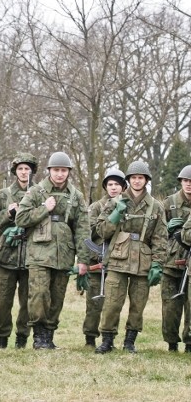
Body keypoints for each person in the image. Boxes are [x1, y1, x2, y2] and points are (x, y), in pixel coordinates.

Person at [15, 151, 89, 350]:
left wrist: (83, 260)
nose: (59, 174)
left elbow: (82, 229)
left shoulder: (76, 196)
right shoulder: (36, 192)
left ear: (68, 172)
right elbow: (20, 218)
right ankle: (39, 336)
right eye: (56, 170)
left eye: (63, 171)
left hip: (63, 254)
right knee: (39, 294)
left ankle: (49, 335)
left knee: (57, 297)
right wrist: (44, 209)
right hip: (39, 253)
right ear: (49, 171)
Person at [94, 161, 167, 354]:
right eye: (133, 178)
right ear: (128, 180)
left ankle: (129, 342)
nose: (136, 181)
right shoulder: (114, 202)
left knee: (138, 304)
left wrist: (157, 264)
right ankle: (107, 340)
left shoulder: (156, 207)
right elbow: (101, 231)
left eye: (140, 178)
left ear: (146, 180)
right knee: (112, 302)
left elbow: (160, 238)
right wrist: (116, 214)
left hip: (143, 261)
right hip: (118, 259)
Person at [0, 153, 38, 349]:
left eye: (27, 169)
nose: (24, 172)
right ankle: (1, 339)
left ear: (32, 171)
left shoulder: (39, 194)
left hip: (31, 257)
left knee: (28, 303)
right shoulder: (3, 195)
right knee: (3, 303)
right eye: (20, 169)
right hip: (6, 257)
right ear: (15, 171)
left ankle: (22, 339)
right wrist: (8, 214)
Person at [82, 170, 126, 347]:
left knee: (113, 304)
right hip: (97, 260)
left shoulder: (126, 205)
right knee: (94, 303)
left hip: (117, 260)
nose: (113, 188)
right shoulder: (96, 206)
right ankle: (90, 337)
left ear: (123, 186)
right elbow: (90, 231)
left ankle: (109, 338)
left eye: (117, 184)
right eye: (110, 184)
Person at [160, 165, 191, 352]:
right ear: (181, 182)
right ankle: (171, 342)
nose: (189, 185)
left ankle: (189, 343)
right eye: (186, 181)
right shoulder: (168, 203)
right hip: (171, 261)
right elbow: (154, 231)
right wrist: (167, 228)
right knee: (170, 305)